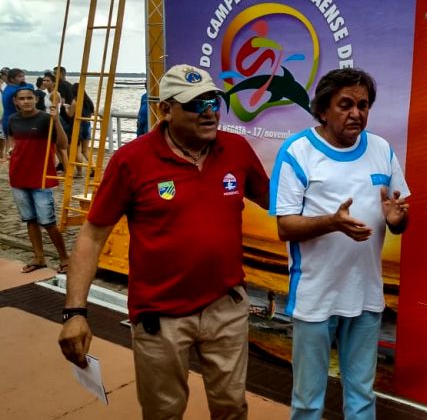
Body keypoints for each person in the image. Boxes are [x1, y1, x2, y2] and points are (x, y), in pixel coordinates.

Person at [58, 65, 270, 419]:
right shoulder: (131, 160)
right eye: (195, 104)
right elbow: (93, 236)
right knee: (163, 412)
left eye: (213, 102)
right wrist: (75, 312)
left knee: (232, 407)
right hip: (160, 317)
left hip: (226, 306)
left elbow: (280, 202)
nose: (208, 112)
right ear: (165, 109)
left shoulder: (236, 149)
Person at [270, 68, 410, 420]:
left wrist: (398, 220)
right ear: (322, 110)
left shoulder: (382, 150)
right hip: (316, 297)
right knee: (308, 401)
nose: (357, 113)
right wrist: (332, 222)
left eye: (363, 105)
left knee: (362, 396)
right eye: (345, 104)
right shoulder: (297, 153)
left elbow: (399, 217)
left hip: (366, 296)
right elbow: (285, 226)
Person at [6, 84, 71, 273]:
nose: (26, 101)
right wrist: (9, 152)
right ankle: (38, 257)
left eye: (29, 98)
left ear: (36, 99)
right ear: (15, 101)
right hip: (18, 176)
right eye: (22, 98)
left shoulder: (46, 119)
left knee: (48, 221)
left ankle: (65, 258)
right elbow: (12, 141)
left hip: (41, 178)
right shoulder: (12, 120)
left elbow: (63, 143)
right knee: (30, 219)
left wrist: (57, 120)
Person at [65, 82, 96, 177]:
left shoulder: (75, 101)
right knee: (85, 150)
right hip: (87, 125)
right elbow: (91, 114)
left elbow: (70, 114)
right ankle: (93, 167)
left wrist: (66, 108)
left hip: (77, 126)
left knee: (76, 150)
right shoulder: (88, 101)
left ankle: (79, 172)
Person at [41, 72, 68, 171]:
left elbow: (55, 109)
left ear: (53, 82)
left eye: (48, 80)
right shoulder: (48, 94)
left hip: (55, 119)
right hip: (49, 119)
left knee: (61, 147)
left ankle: (67, 170)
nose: (45, 82)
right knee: (55, 146)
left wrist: (54, 121)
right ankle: (61, 165)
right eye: (44, 80)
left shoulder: (54, 94)